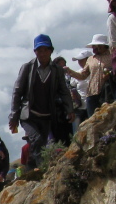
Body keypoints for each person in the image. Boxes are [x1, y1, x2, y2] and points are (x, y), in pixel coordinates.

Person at [9, 35, 74, 170]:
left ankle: (31, 172)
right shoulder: (27, 68)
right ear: (35, 52)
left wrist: (69, 109)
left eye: (46, 50)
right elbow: (17, 92)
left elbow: (64, 90)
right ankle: (44, 171)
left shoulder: (56, 70)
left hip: (46, 115)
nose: (43, 53)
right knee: (36, 140)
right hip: (29, 115)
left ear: (51, 50)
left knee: (39, 146)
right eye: (39, 50)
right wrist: (14, 116)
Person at [66, 35, 113, 116]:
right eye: (93, 46)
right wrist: (70, 72)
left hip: (106, 91)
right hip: (92, 93)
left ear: (103, 46)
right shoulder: (91, 59)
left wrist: (109, 73)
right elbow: (83, 75)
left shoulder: (111, 56)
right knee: (92, 119)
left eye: (96, 46)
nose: (94, 48)